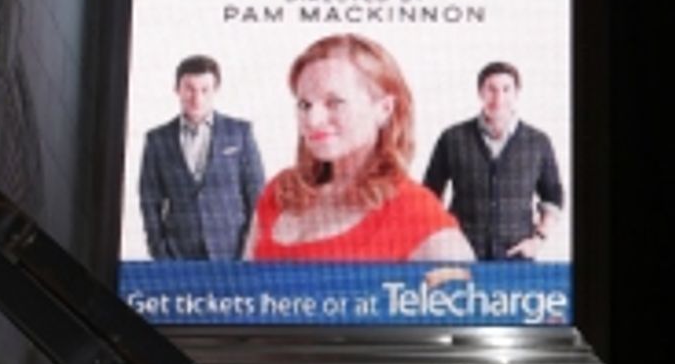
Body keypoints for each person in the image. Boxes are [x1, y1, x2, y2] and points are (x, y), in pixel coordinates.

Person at [250, 35, 472, 262]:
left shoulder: (415, 212)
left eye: (334, 102)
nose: (313, 120)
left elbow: (469, 283)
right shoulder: (280, 192)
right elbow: (240, 282)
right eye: (304, 104)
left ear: (384, 109)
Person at [423, 60, 564, 259]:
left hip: (517, 257)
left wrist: (538, 240)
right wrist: (443, 240)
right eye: (491, 89)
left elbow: (553, 197)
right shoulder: (452, 138)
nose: (498, 98)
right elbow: (429, 195)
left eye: (506, 89)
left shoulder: (538, 142)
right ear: (480, 92)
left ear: (516, 93)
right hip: (461, 255)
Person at [138, 56, 264, 259]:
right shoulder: (157, 140)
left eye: (205, 90)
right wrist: (160, 252)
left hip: (232, 252)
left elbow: (257, 196)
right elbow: (149, 200)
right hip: (178, 255)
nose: (197, 98)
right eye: (189, 89)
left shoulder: (239, 133)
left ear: (216, 90)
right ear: (177, 89)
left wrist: (249, 251)